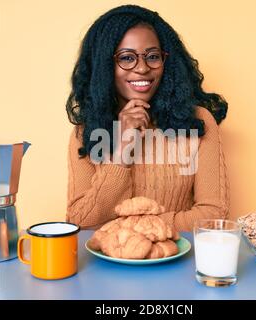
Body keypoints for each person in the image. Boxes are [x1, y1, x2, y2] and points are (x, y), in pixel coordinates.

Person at [65, 4, 230, 231]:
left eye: (152, 56)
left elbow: (213, 215)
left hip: (177, 260)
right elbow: (79, 222)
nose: (142, 68)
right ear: (105, 66)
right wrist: (122, 150)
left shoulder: (199, 121)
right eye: (126, 57)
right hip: (108, 264)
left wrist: (134, 228)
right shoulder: (86, 132)